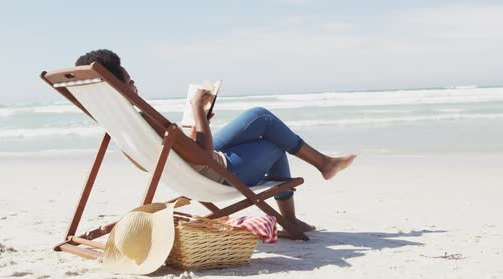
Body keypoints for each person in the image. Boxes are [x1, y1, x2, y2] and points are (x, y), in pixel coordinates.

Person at [76, 49, 356, 234]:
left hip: (188, 169)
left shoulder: (120, 124)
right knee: (272, 144)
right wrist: (198, 111)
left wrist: (201, 124)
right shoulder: (144, 119)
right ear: (119, 84)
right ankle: (300, 204)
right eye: (128, 77)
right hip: (213, 172)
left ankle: (322, 167)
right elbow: (202, 156)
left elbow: (158, 160)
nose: (133, 80)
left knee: (259, 117)